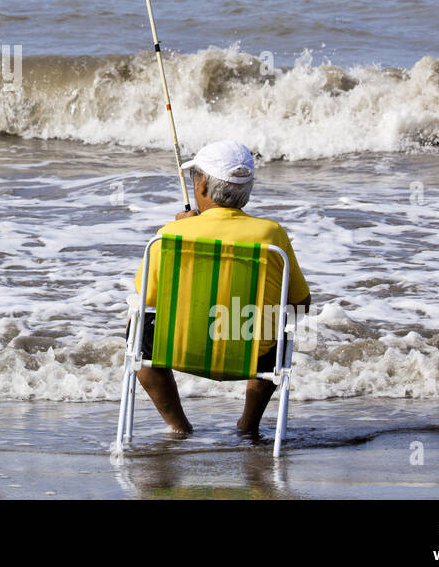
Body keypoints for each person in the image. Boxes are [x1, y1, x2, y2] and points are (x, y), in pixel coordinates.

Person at [132, 140, 310, 437]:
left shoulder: (170, 234)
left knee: (135, 326)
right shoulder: (271, 234)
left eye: (194, 178)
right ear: (247, 190)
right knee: (274, 324)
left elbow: (146, 297)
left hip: (178, 349)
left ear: (201, 187)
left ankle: (179, 426)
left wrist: (179, 230)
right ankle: (247, 425)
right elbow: (301, 304)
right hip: (251, 354)